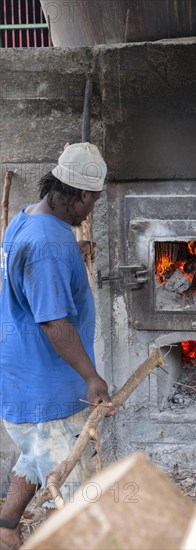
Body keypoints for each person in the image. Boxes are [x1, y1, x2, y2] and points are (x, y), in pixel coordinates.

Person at [0, 142, 112, 549]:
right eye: (93, 202)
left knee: (36, 459)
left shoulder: (29, 217)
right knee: (69, 491)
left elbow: (31, 274)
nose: (92, 210)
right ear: (81, 195)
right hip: (47, 384)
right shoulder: (49, 245)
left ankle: (6, 528)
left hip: (24, 379)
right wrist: (91, 376)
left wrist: (71, 253)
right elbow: (52, 320)